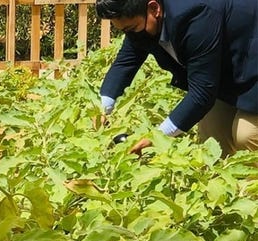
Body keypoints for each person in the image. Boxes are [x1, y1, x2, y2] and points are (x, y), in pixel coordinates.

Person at [95, 0, 258, 157]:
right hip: (235, 65)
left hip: (253, 58)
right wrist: (102, 111)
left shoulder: (195, 14)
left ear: (154, 9)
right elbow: (126, 62)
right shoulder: (143, 20)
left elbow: (202, 93)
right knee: (212, 135)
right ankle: (229, 184)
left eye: (131, 28)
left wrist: (156, 137)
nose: (129, 36)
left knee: (247, 135)